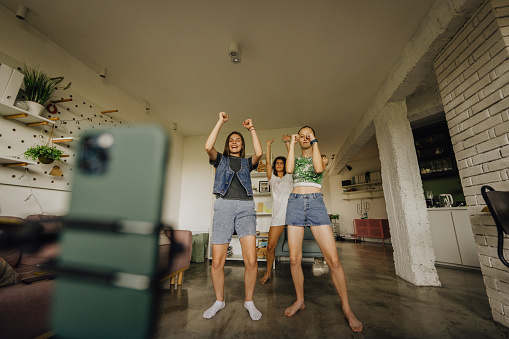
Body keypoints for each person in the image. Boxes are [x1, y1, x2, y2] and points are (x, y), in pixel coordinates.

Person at [284, 126, 363, 333]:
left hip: (316, 203)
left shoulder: (323, 156)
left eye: (308, 134)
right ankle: (300, 300)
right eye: (301, 135)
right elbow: (290, 169)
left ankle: (347, 308)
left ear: (313, 137)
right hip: (294, 203)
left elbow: (319, 169)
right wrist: (291, 144)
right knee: (294, 259)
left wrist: (314, 141)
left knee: (334, 261)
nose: (304, 137)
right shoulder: (296, 156)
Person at [203, 112, 263, 321]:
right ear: (228, 145)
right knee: (217, 261)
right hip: (224, 206)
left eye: (238, 140)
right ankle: (219, 301)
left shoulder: (248, 162)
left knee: (252, 260)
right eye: (231, 140)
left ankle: (249, 301)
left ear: (242, 144)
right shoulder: (219, 159)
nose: (234, 142)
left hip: (246, 207)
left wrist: (252, 128)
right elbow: (208, 147)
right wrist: (220, 121)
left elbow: (259, 152)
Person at [259, 135, 293, 284]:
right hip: (278, 216)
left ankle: (295, 275)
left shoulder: (290, 176)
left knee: (294, 249)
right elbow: (267, 162)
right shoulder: (272, 178)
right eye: (277, 163)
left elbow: (292, 159)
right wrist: (268, 146)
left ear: (286, 165)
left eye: (282, 163)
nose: (279, 164)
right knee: (271, 246)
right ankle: (268, 273)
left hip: (292, 215)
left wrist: (287, 142)